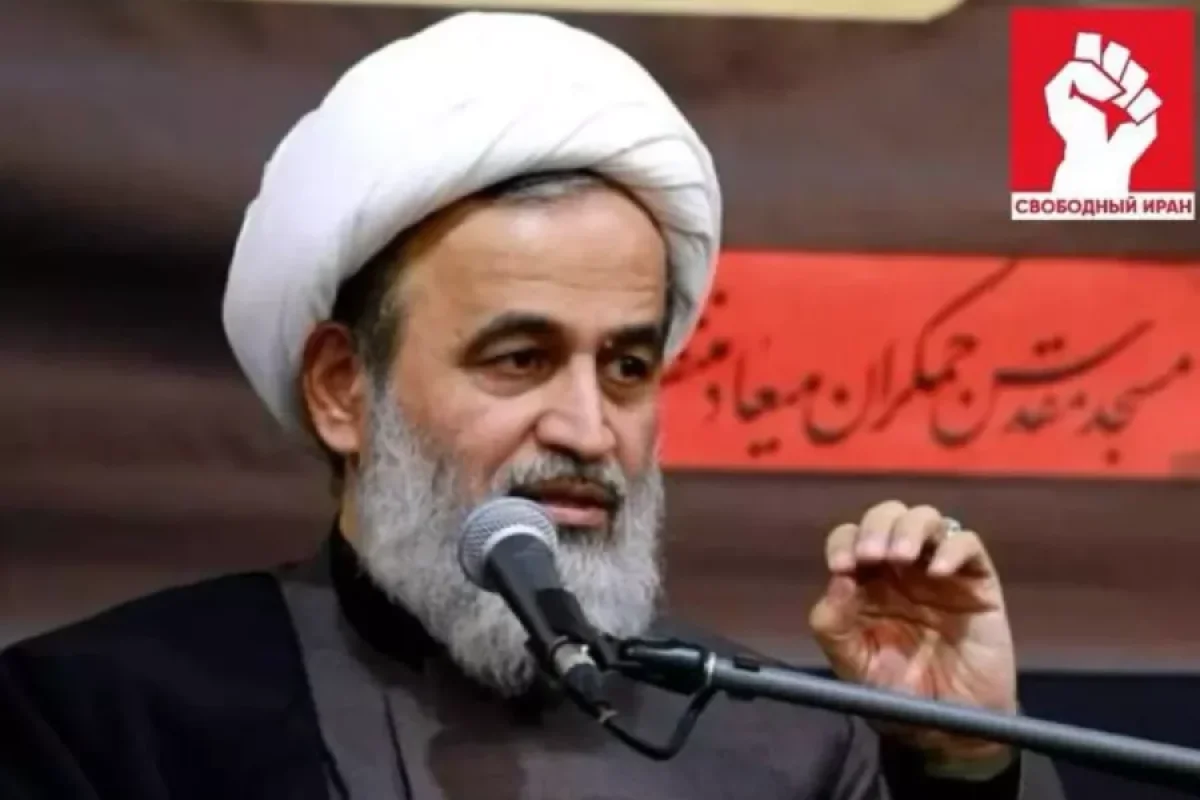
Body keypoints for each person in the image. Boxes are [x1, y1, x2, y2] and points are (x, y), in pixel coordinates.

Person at [0, 11, 1064, 799]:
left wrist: (964, 759)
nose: (589, 430)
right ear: (341, 389)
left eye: (628, 366)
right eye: (518, 359)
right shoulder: (111, 721)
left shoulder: (788, 747)